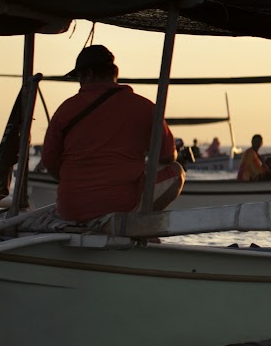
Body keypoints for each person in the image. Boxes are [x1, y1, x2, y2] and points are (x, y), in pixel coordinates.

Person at [41, 45, 185, 223]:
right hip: (119, 207)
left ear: (89, 74)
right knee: (177, 171)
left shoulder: (66, 109)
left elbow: (49, 161)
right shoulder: (144, 107)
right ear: (114, 73)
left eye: (78, 77)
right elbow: (168, 157)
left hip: (70, 209)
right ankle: (139, 225)